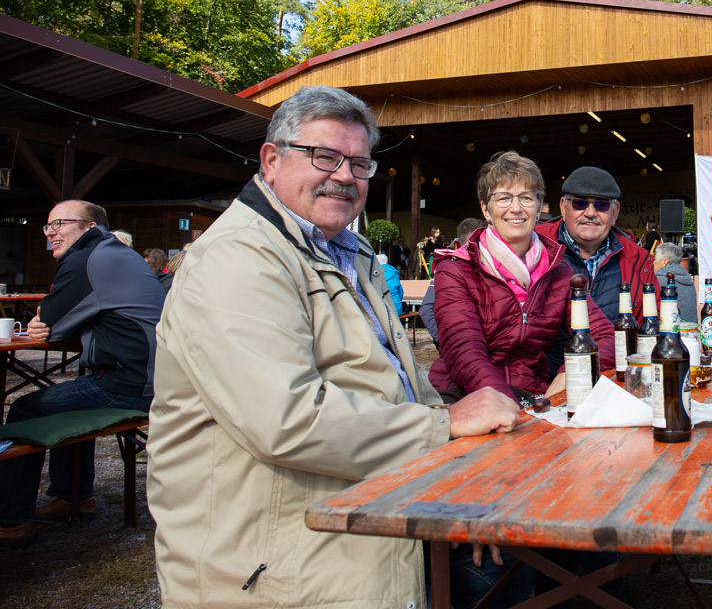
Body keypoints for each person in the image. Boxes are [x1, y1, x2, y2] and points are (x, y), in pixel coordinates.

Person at [147, 86, 520, 608]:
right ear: (271, 160)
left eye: (360, 164)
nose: (344, 175)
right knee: (512, 577)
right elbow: (289, 419)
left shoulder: (349, 249)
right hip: (279, 561)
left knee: (526, 560)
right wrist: (443, 426)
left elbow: (400, 382)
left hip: (364, 508)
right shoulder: (238, 256)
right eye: (324, 156)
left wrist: (458, 483)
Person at [0, 200, 164, 544]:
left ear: (90, 226)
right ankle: (72, 497)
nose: (50, 232)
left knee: (24, 408)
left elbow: (51, 322)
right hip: (157, 378)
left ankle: (12, 520)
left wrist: (44, 321)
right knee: (72, 397)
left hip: (130, 383)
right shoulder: (120, 254)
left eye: (59, 223)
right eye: (47, 225)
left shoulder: (86, 258)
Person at [430, 152, 615, 404]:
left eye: (526, 198)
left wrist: (570, 374)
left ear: (539, 208)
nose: (516, 208)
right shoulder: (456, 270)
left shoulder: (558, 272)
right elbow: (465, 355)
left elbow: (604, 336)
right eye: (503, 198)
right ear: (486, 209)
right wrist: (514, 410)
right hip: (466, 396)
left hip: (533, 395)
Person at [536, 166, 656, 330]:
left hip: (616, 348)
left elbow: (658, 325)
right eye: (580, 203)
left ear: (614, 213)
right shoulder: (534, 245)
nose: (590, 213)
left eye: (601, 205)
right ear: (563, 208)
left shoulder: (638, 259)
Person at [419, 217, 486, 346]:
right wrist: (446, 342)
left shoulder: (445, 268)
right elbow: (426, 309)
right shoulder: (449, 269)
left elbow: (426, 309)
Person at [653, 242, 696, 324]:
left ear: (665, 261)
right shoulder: (687, 279)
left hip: (669, 329)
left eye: (655, 259)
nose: (653, 262)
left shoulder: (657, 280)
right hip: (691, 329)